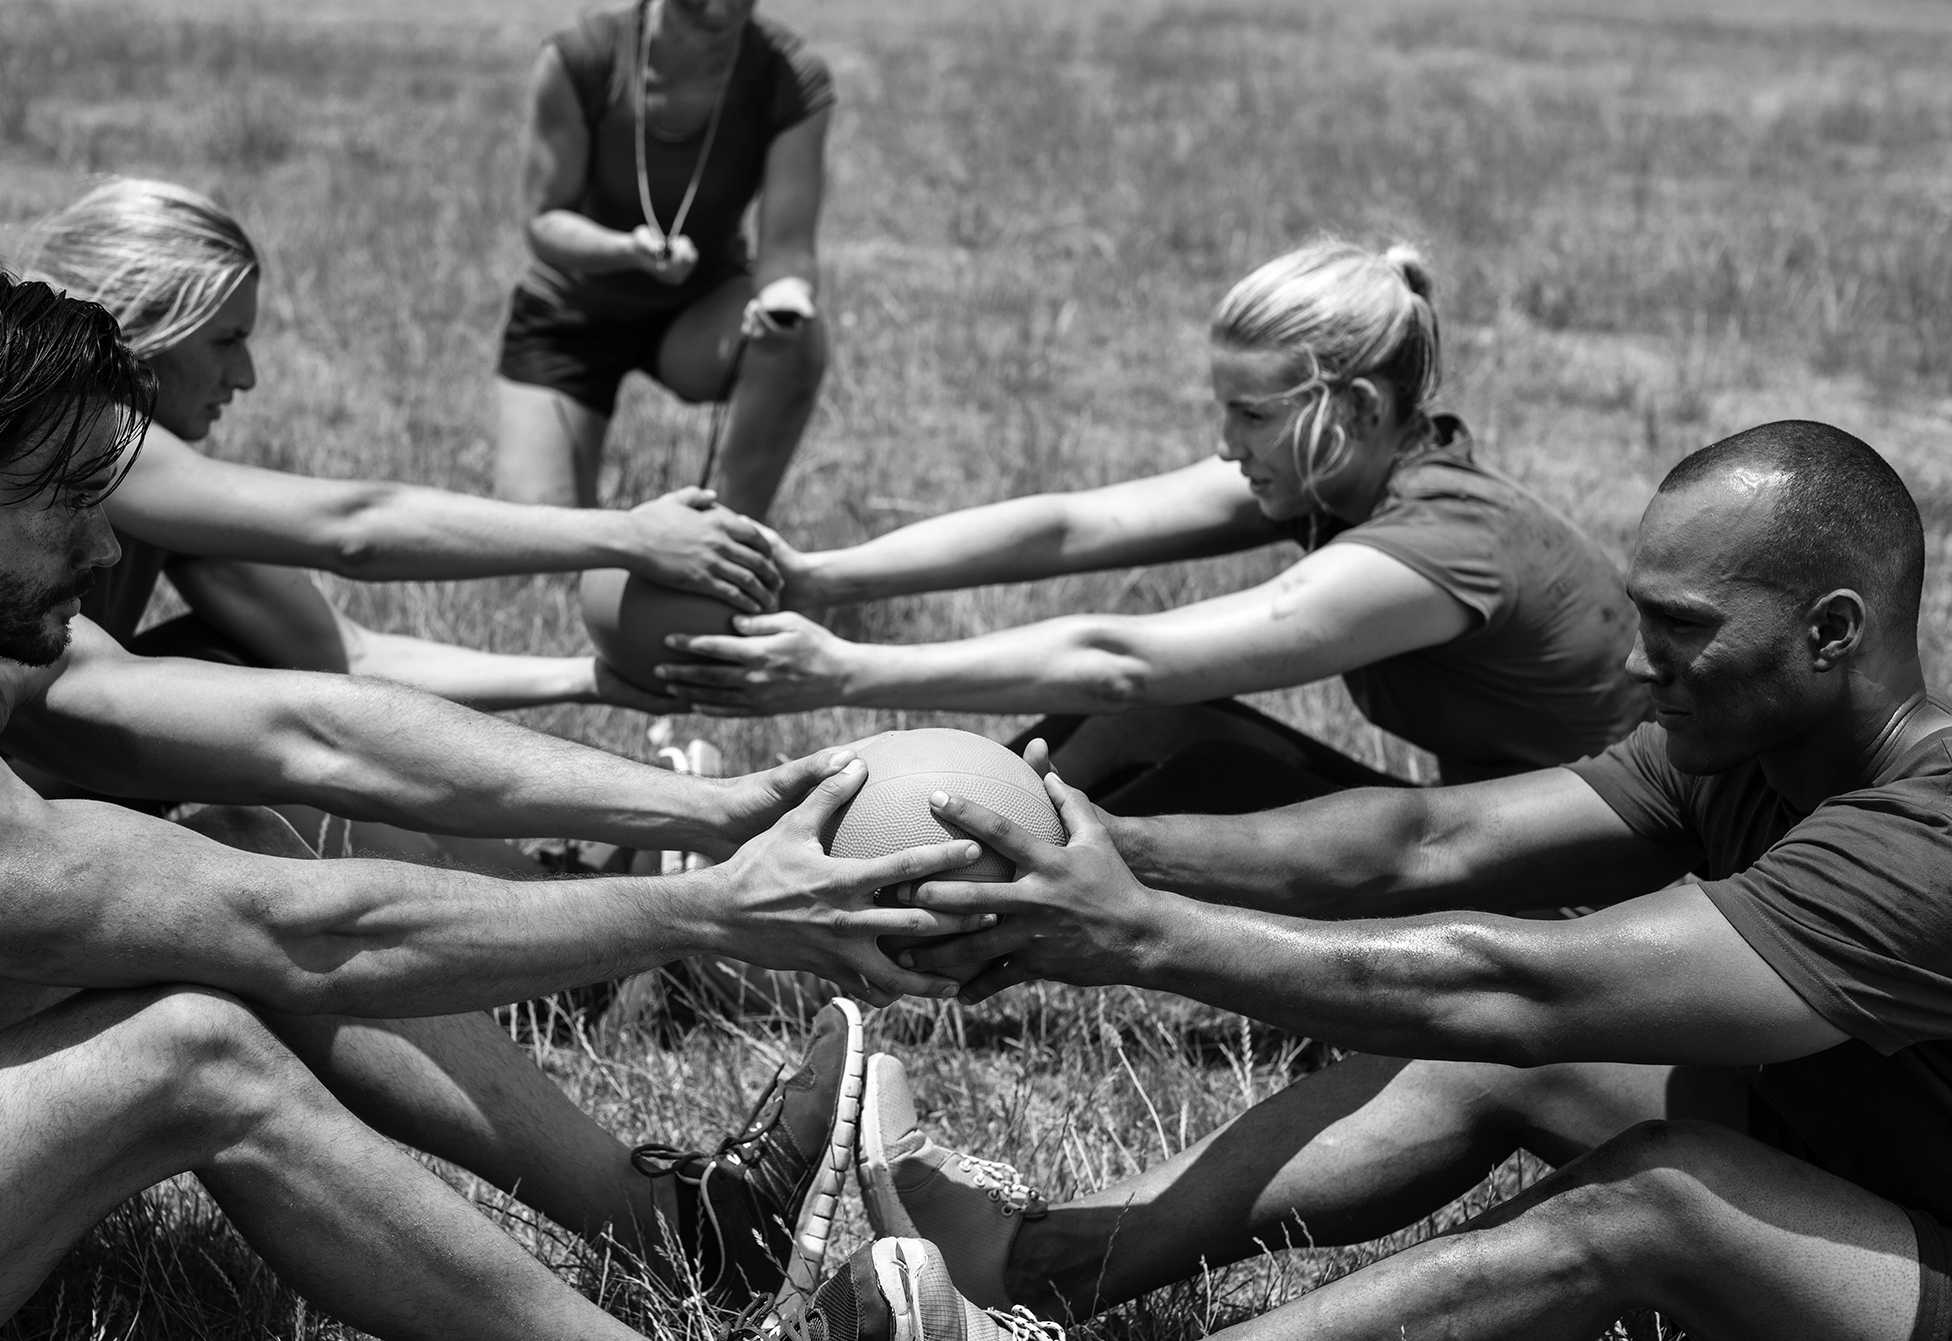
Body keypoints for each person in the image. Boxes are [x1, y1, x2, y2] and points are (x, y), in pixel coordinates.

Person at [0, 261, 1023, 1341]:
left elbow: (308, 732)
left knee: (242, 838)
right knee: (192, 1047)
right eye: (62, 501)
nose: (106, 539)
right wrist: (710, 913)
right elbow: (294, 933)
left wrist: (721, 819)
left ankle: (681, 1231)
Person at [856, 420, 1952, 1340]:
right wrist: (1102, 846)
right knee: (1479, 1062)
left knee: (1653, 1198)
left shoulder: (1928, 835)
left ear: (1830, 632)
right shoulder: (1739, 755)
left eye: (1682, 626)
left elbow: (1519, 989)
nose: (1635, 660)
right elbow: (1425, 840)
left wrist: (1139, 933)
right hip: (1855, 1171)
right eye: (1641, 614)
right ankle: (1027, 1267)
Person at [659, 241, 1646, 811]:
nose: (1225, 443)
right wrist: (820, 576)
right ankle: (790, 870)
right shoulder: (1342, 474)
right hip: (1488, 847)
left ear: (1349, 409)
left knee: (1152, 732)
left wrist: (843, 672)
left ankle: (795, 906)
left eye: (1250, 414)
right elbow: (1072, 528)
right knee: (1139, 737)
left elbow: (1120, 662)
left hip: (1576, 907)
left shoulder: (1439, 546)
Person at [25, 176, 779, 716]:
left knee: (255, 660)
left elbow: (348, 656)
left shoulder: (169, 497)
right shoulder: (73, 424)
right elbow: (355, 528)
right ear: (134, 325)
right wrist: (626, 534)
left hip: (49, 787)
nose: (246, 376)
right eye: (227, 340)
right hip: (4, 821)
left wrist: (589, 679)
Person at [494, 0, 832, 522]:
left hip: (698, 310)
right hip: (571, 315)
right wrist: (628, 250)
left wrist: (784, 303)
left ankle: (731, 537)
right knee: (545, 548)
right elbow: (544, 222)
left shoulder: (789, 75)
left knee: (799, 338)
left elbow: (788, 252)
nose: (719, 8)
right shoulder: (581, 57)